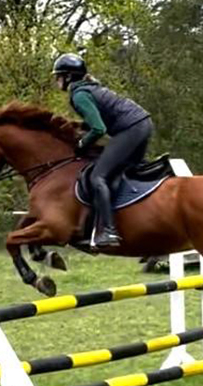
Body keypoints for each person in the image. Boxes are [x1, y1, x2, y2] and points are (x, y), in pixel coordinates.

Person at [52, 53, 154, 247]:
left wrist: (81, 144)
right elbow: (97, 122)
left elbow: (99, 129)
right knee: (122, 172)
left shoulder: (79, 95)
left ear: (68, 76)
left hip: (130, 129)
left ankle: (108, 231)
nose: (57, 80)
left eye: (59, 76)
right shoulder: (90, 88)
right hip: (142, 124)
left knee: (97, 177)